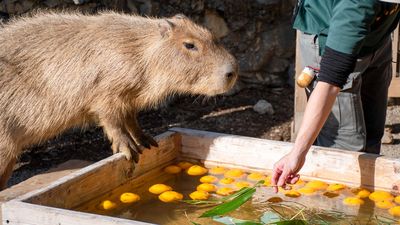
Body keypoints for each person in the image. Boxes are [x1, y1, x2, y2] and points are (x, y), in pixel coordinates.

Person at [271, 0, 400, 191]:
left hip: (376, 38)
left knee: (372, 136)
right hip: (331, 38)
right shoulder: (354, 7)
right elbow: (329, 84)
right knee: (344, 150)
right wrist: (297, 154)